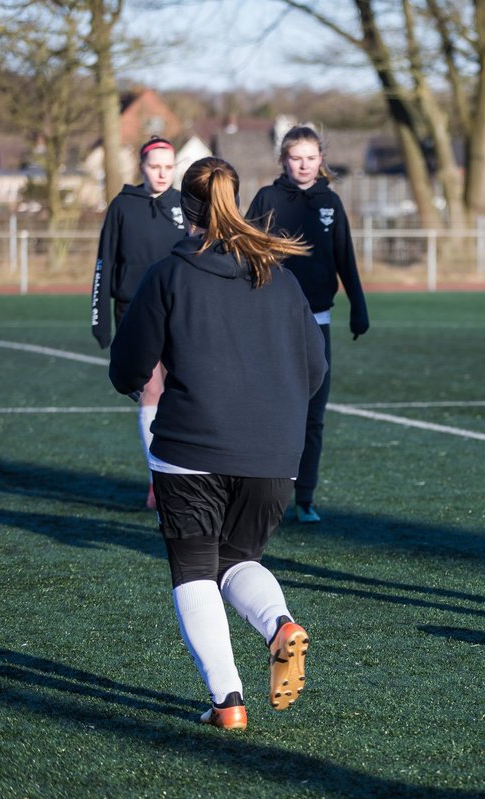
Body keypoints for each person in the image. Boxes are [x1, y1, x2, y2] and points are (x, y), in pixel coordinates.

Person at [109, 157, 328, 731]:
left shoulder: (169, 274)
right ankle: (278, 622)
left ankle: (227, 700)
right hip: (276, 457)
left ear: (187, 209)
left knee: (194, 570)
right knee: (237, 560)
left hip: (191, 448)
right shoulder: (277, 276)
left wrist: (137, 381)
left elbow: (128, 366)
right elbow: (316, 368)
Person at [246, 125, 369, 524]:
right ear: (283, 160)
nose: (303, 165)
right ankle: (267, 495)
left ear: (321, 161)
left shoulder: (330, 201)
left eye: (310, 158)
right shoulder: (267, 198)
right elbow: (247, 253)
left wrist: (358, 305)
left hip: (318, 322)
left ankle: (306, 498)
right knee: (273, 412)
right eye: (295, 158)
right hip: (273, 323)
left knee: (314, 414)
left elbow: (343, 257)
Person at [90, 136, 186, 509]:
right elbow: (105, 262)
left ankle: (182, 475)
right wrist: (99, 320)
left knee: (182, 393)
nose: (161, 173)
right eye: (154, 166)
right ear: (142, 167)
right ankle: (156, 478)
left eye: (168, 166)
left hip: (179, 310)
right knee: (150, 391)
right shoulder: (122, 206)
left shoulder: (184, 205)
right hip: (133, 310)